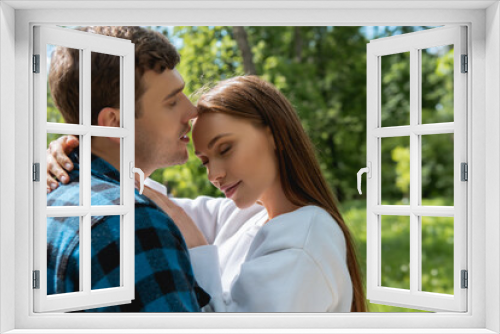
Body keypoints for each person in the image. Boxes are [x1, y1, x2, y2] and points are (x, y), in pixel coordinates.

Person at [48, 75, 367, 312]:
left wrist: (199, 248)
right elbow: (153, 201)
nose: (214, 174)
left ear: (274, 134)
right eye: (204, 161)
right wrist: (81, 151)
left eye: (225, 148)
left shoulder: (305, 239)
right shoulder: (252, 216)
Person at [45, 26, 209, 312]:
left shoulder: (39, 202)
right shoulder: (133, 223)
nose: (192, 111)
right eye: (172, 101)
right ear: (114, 123)